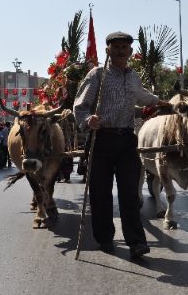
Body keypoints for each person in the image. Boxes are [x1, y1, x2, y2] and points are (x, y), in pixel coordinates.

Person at [73, 31, 170, 258]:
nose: (120, 50)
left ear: (130, 52)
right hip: (101, 139)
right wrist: (89, 120)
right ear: (108, 50)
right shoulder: (97, 75)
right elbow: (80, 106)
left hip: (127, 140)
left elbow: (143, 97)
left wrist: (160, 104)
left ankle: (136, 242)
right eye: (115, 46)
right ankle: (105, 237)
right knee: (101, 193)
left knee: (129, 193)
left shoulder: (133, 77)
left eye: (124, 47)